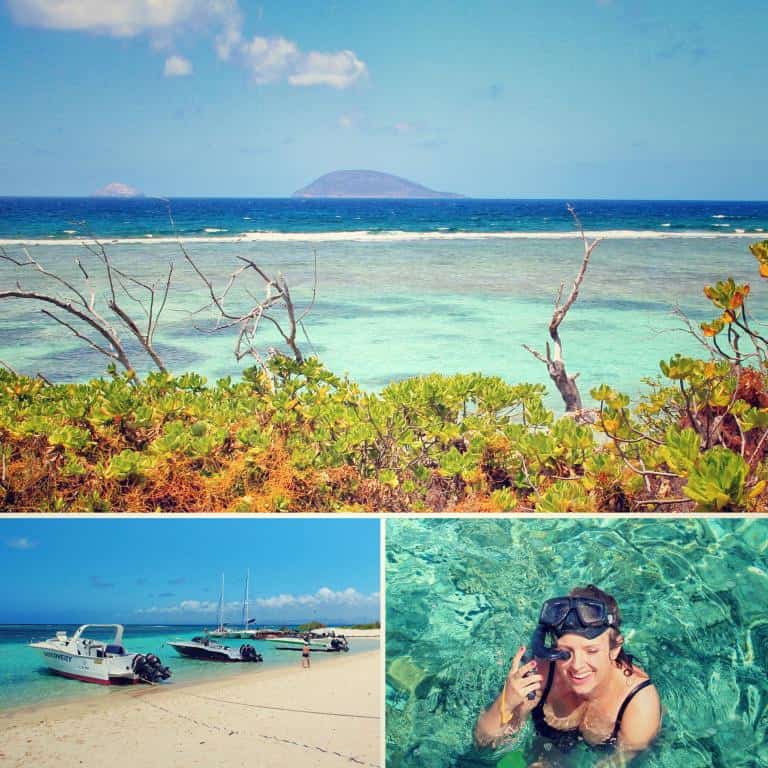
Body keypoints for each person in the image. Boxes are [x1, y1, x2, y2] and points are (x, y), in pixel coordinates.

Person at [475, 585, 661, 765]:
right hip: (547, 746)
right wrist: (506, 702)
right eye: (565, 652)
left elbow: (618, 761)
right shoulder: (539, 675)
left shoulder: (638, 702)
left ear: (615, 648)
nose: (577, 666)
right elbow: (484, 744)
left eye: (591, 651)